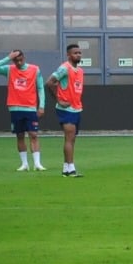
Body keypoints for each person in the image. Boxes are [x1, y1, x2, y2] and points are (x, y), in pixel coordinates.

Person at [0, 49, 45, 171]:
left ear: (24, 57)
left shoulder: (34, 69)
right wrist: (7, 58)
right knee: (19, 135)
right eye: (15, 60)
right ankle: (24, 164)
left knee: (33, 134)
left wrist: (41, 106)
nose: (18, 63)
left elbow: (40, 88)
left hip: (30, 107)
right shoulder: (9, 69)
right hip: (15, 107)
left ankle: (37, 163)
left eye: (20, 59)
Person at [46, 42, 85, 177]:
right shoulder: (64, 68)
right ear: (68, 55)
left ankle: (66, 169)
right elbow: (50, 82)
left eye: (79, 53)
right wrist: (59, 100)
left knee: (72, 138)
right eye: (75, 53)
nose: (78, 55)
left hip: (76, 108)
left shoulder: (80, 71)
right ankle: (71, 169)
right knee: (69, 138)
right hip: (66, 108)